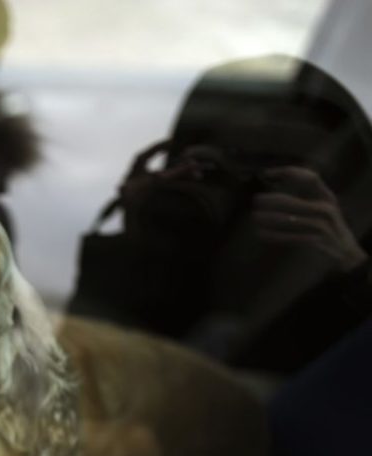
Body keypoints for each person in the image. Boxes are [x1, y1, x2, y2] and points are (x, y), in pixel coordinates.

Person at [68, 54, 372, 376]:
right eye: (221, 166)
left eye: (282, 168)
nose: (253, 188)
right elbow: (83, 382)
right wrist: (146, 235)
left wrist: (354, 275)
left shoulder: (349, 282)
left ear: (346, 189)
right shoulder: (173, 271)